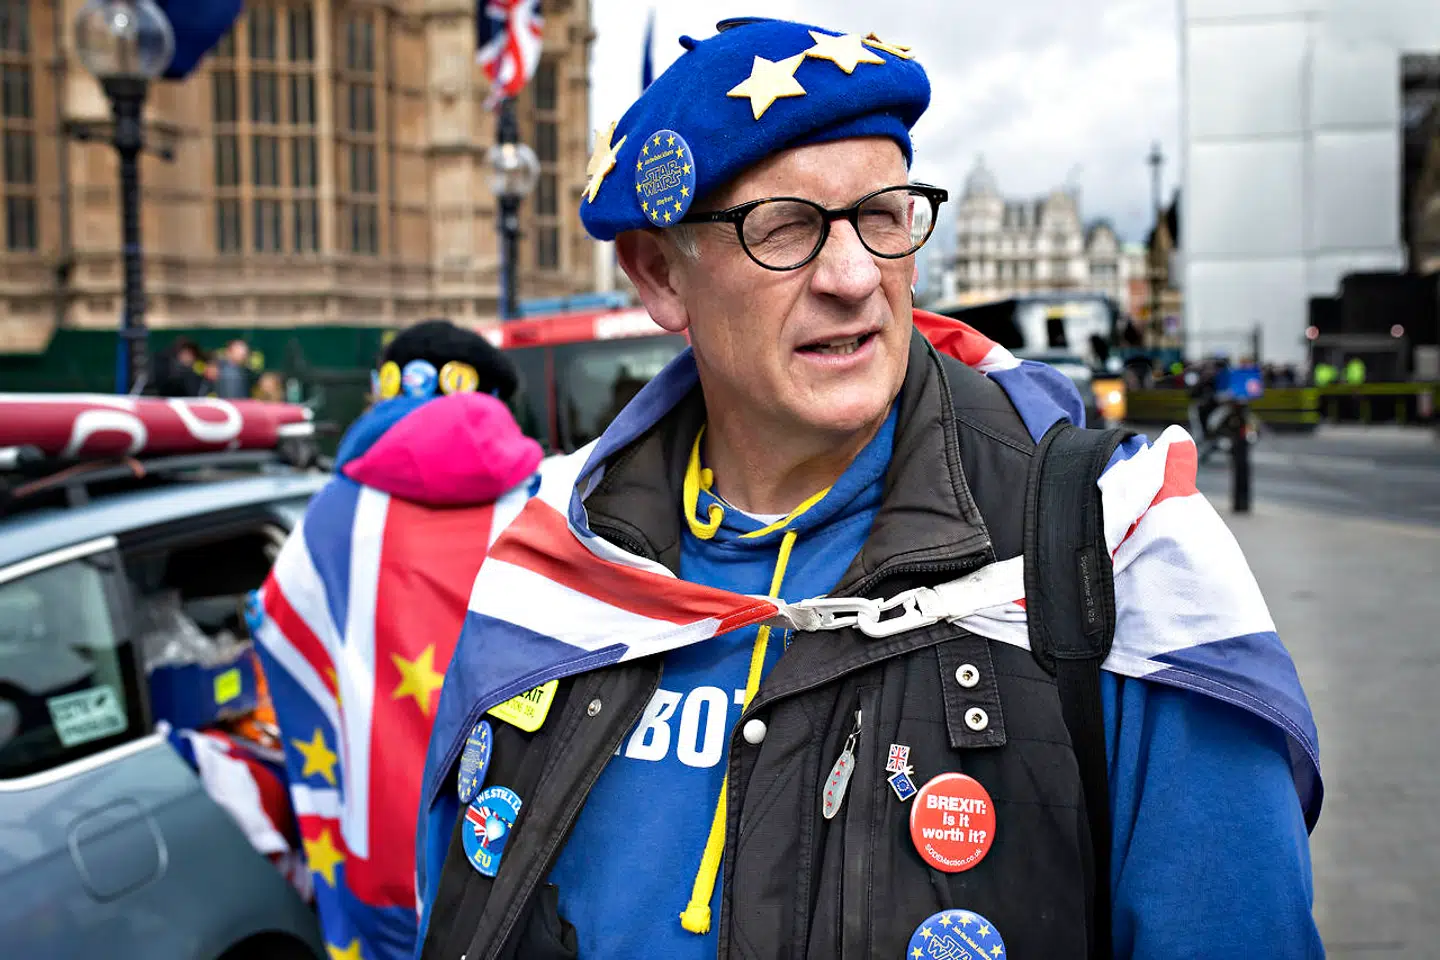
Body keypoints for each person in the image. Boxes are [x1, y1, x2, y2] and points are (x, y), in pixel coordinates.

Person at [416, 18, 1322, 960]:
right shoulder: (550, 569)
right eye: (787, 228)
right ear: (658, 273)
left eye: (883, 215)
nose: (855, 278)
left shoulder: (1111, 548)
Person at [247, 318, 541, 960]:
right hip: (518, 845)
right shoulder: (548, 505)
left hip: (383, 849)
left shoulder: (335, 513)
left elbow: (276, 629)